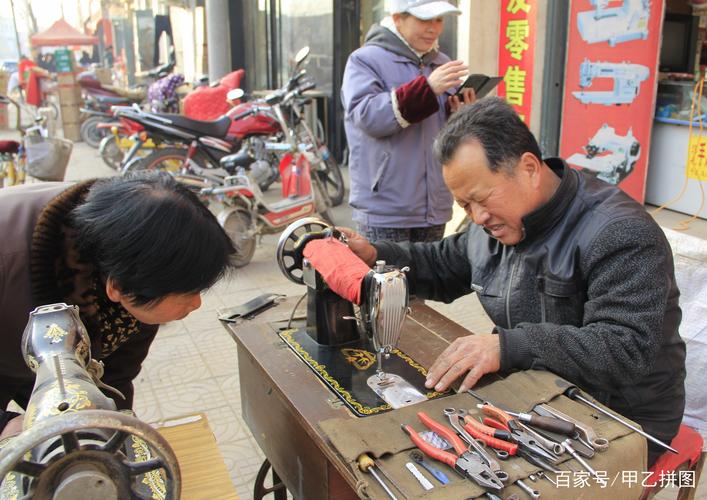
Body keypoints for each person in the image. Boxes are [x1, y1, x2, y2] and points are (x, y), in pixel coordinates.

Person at [342, 97, 686, 466]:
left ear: (528, 168)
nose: (476, 216)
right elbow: (442, 263)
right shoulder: (494, 223)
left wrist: (507, 346)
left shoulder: (619, 232)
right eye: (464, 205)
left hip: (620, 414)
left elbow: (624, 348)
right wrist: (373, 254)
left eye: (480, 199)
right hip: (535, 388)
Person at [0, 172, 236, 437]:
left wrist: (116, 431)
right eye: (185, 292)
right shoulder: (8, 262)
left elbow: (113, 378)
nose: (196, 303)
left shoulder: (130, 251)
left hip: (41, 354)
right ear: (119, 287)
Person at [341, 0, 475, 243]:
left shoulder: (442, 62)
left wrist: (459, 113)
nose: (434, 28)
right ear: (397, 18)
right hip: (385, 207)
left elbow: (443, 133)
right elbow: (367, 117)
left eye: (439, 19)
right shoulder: (364, 60)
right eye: (425, 19)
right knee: (387, 281)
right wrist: (426, 88)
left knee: (429, 281)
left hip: (435, 205)